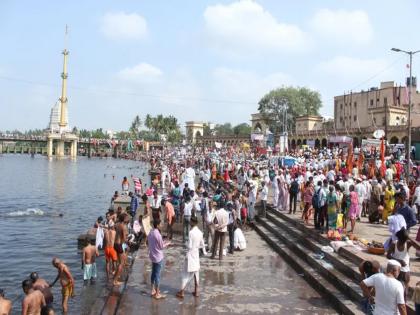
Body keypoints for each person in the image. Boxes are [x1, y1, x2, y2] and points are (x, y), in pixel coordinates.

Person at [176, 216, 206, 299]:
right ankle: (196, 291)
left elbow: (189, 246)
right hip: (196, 254)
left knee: (185, 274)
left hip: (190, 254)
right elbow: (202, 245)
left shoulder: (191, 233)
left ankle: (182, 291)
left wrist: (185, 243)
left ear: (192, 223)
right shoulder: (200, 232)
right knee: (196, 273)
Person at [148, 219, 170, 299]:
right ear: (157, 225)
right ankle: (157, 293)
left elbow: (151, 243)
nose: (162, 225)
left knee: (153, 273)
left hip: (152, 255)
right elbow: (161, 246)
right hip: (158, 257)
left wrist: (163, 242)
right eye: (161, 224)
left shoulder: (151, 232)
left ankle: (152, 289)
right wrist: (167, 243)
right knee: (157, 275)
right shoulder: (158, 234)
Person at [113, 213, 129, 286]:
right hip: (119, 245)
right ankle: (115, 281)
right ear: (124, 219)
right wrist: (128, 241)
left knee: (120, 262)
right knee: (121, 263)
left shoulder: (116, 225)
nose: (128, 218)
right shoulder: (124, 227)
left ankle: (115, 277)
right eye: (127, 217)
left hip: (115, 244)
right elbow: (124, 239)